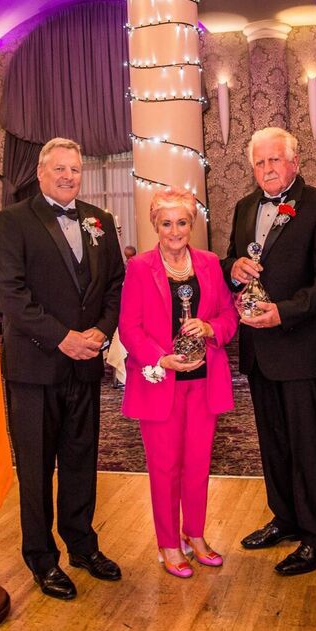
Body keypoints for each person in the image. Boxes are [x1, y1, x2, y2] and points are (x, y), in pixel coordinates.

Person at [0, 137, 125, 601]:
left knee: (81, 461)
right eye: (60, 168)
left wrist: (101, 334)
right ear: (41, 172)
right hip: (35, 366)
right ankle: (41, 558)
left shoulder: (100, 220)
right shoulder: (11, 221)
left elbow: (114, 287)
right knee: (35, 468)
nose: (68, 176)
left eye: (75, 169)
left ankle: (83, 546)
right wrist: (63, 337)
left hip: (85, 364)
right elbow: (11, 295)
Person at [222, 127, 316, 577]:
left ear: (295, 162)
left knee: (308, 448)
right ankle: (285, 518)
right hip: (258, 351)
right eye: (260, 162)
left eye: (276, 160)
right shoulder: (243, 208)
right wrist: (231, 268)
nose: (268, 169)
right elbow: (233, 263)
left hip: (302, 348)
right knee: (272, 443)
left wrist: (284, 313)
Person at [119, 189, 238, 578]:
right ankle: (169, 543)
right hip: (160, 381)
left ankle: (197, 535)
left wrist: (209, 327)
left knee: (198, 465)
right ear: (155, 225)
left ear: (192, 225)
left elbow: (228, 317)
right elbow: (129, 328)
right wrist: (159, 358)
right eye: (167, 223)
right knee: (165, 467)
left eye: (182, 222)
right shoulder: (139, 267)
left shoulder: (208, 263)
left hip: (204, 381)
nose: (175, 231)